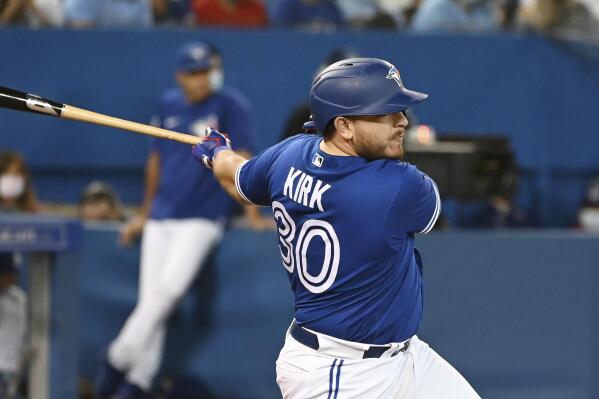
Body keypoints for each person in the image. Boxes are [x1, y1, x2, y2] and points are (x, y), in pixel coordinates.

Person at [192, 58, 480, 398]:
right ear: (343, 125)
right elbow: (428, 209)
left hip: (405, 359)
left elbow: (236, 176)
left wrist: (216, 152)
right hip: (340, 373)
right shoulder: (398, 187)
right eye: (386, 113)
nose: (402, 121)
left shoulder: (287, 155)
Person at [95, 41, 272, 399]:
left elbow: (244, 159)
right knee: (152, 302)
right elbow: (155, 162)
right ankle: (137, 385)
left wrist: (252, 212)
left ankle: (113, 363)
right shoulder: (167, 104)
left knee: (168, 293)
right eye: (193, 73)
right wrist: (144, 212)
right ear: (180, 76)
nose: (201, 79)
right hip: (162, 214)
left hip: (203, 218)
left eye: (206, 71)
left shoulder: (229, 105)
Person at [0, 253, 27, 399]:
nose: (11, 278)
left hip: (15, 365)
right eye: (6, 274)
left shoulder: (19, 297)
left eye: (12, 274)